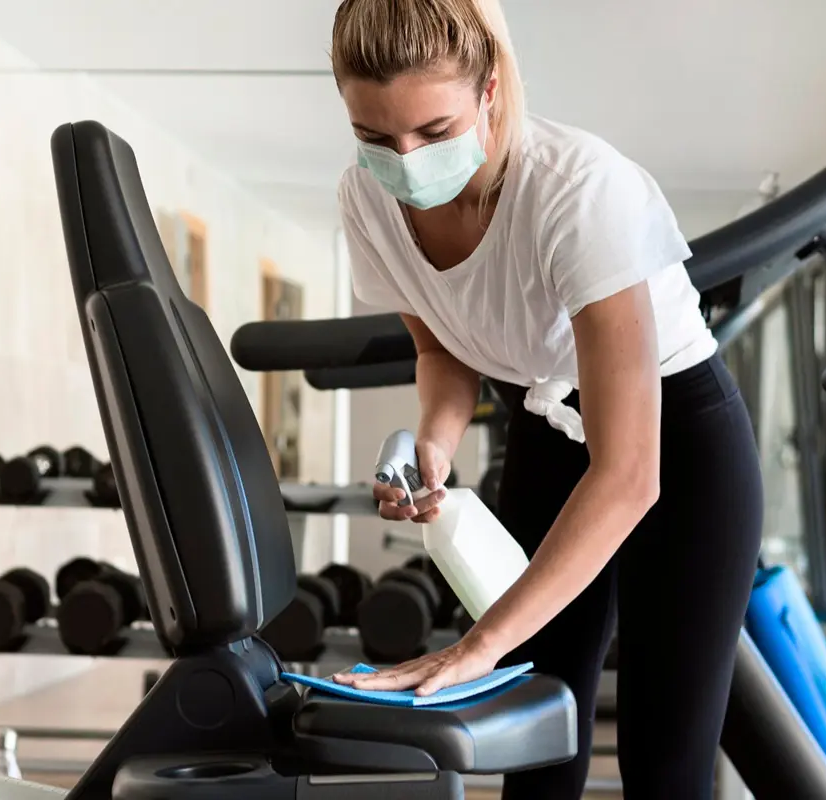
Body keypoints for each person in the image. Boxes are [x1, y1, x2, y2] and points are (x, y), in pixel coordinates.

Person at [326, 1, 763, 797]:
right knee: (532, 743)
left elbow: (630, 473)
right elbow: (440, 347)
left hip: (675, 443)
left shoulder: (577, 190)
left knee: (664, 762)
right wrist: (436, 441)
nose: (404, 161)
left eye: (431, 130)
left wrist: (478, 644)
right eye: (374, 138)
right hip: (543, 429)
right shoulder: (365, 202)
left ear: (490, 90)